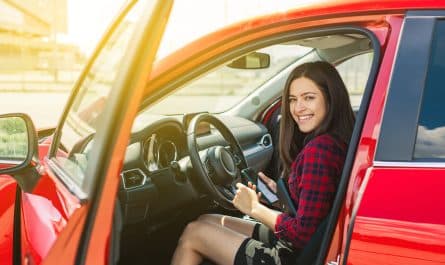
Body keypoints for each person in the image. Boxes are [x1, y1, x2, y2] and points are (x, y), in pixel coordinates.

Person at [171, 61, 356, 265]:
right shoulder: (339, 140)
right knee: (206, 220)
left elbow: (303, 234)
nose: (298, 108)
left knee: (193, 234)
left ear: (331, 99)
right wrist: (280, 196)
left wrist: (254, 208)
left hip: (290, 255)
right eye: (293, 100)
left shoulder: (319, 151)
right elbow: (317, 206)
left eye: (309, 98)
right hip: (304, 246)